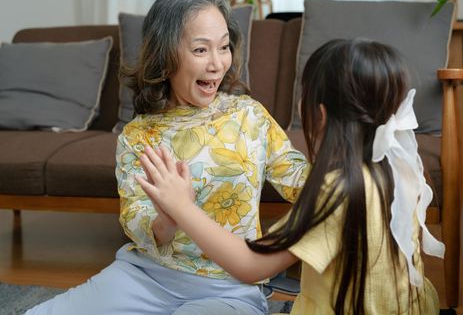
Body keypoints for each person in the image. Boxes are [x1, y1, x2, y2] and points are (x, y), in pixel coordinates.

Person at [26, 0, 307, 315]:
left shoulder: (249, 116)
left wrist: (351, 167)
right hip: (145, 277)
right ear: (165, 55)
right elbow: (136, 219)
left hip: (231, 286)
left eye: (224, 47)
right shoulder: (137, 135)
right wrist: (168, 218)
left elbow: (300, 180)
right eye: (201, 49)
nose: (217, 64)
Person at [137, 38, 446, 314]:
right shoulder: (401, 168)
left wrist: (182, 207)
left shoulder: (337, 190)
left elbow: (250, 265)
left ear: (320, 114)